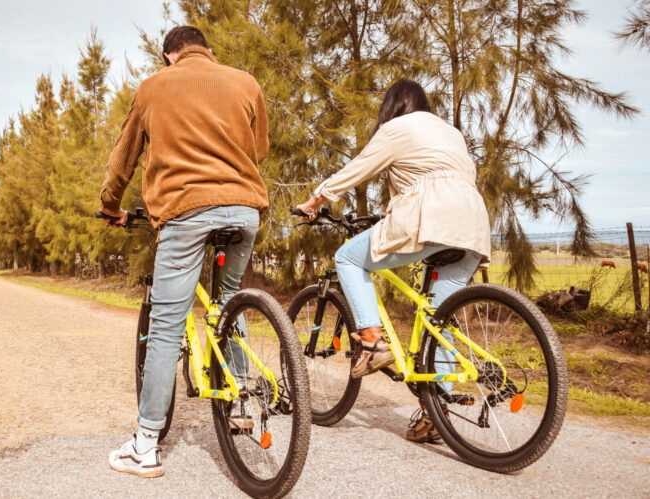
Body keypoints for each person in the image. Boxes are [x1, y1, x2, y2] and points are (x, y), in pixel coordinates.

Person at [98, 25, 270, 477]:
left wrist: (109, 206)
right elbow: (260, 150)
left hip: (185, 211)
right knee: (229, 302)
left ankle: (146, 445)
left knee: (167, 325)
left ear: (170, 55)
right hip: (246, 210)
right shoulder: (246, 82)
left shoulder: (153, 87)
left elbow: (123, 159)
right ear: (207, 51)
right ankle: (240, 404)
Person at [295, 78, 491, 443]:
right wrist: (391, 213)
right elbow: (432, 177)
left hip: (432, 216)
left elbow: (360, 167)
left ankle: (372, 341)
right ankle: (438, 411)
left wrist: (316, 200)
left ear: (393, 106)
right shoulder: (450, 133)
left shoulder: (397, 127)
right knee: (438, 317)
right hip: (473, 224)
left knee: (348, 258)